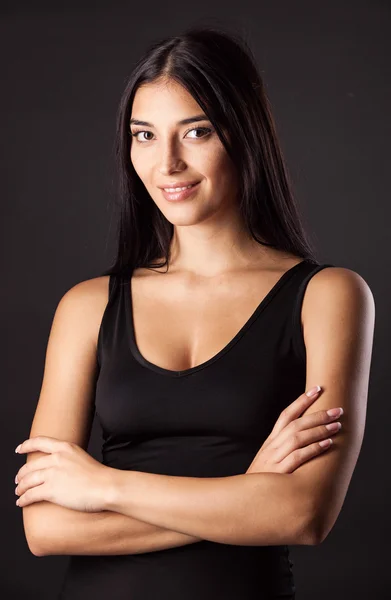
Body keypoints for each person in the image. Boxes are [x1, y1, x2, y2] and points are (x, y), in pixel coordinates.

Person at [15, 26, 375, 599]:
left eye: (197, 132)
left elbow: (302, 514)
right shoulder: (88, 306)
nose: (168, 163)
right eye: (144, 135)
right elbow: (46, 527)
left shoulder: (328, 295)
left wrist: (105, 486)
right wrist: (247, 492)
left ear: (245, 136)